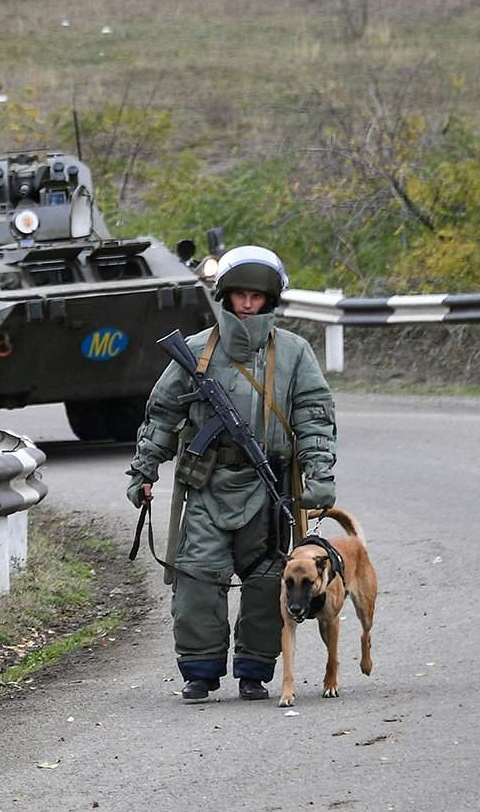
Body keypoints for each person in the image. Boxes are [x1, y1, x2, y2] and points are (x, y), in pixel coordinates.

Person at [126, 245, 337, 702]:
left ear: (270, 300)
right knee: (198, 576)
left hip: (269, 487)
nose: (247, 304)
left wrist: (319, 480)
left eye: (256, 297)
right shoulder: (197, 352)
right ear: (225, 295)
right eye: (239, 294)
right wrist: (145, 470)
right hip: (204, 483)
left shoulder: (295, 354)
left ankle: (254, 670)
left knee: (266, 579)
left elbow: (315, 419)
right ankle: (200, 671)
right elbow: (161, 414)